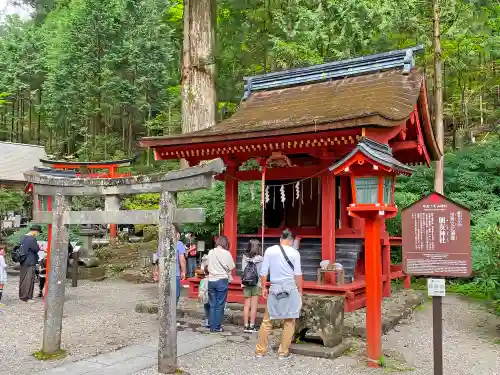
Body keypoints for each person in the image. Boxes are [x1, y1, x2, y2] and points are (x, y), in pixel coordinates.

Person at [255, 229, 303, 360]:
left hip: (275, 288)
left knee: (267, 321)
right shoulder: (295, 253)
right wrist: (300, 290)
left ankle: (260, 351)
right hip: (290, 287)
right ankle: (283, 352)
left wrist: (264, 287)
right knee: (289, 321)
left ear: (280, 239)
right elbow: (298, 274)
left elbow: (264, 272)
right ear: (292, 240)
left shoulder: (270, 250)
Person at [206, 235, 235, 332]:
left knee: (212, 304)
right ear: (225, 243)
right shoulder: (226, 253)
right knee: (220, 304)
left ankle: (211, 325)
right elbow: (231, 267)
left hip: (211, 280)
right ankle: (217, 326)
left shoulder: (210, 252)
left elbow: (206, 265)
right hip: (221, 280)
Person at [241, 239, 263, 333]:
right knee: (254, 306)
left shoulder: (244, 257)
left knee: (246, 305)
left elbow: (243, 270)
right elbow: (262, 272)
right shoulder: (261, 259)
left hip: (246, 283)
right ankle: (252, 326)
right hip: (256, 284)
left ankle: (245, 326)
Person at [18, 225, 42, 303]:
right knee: (29, 279)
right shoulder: (32, 239)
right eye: (38, 232)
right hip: (30, 261)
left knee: (23, 278)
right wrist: (39, 246)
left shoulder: (23, 237)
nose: (38, 234)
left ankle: (22, 296)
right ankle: (27, 298)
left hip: (23, 260)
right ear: (35, 231)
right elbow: (36, 249)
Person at [174, 225, 187, 305]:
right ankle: (172, 312)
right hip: (175, 273)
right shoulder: (179, 244)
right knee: (176, 294)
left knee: (165, 294)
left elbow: (156, 259)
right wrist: (183, 271)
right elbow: (182, 259)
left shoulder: (162, 243)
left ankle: (165, 313)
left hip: (164, 274)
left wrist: (156, 271)